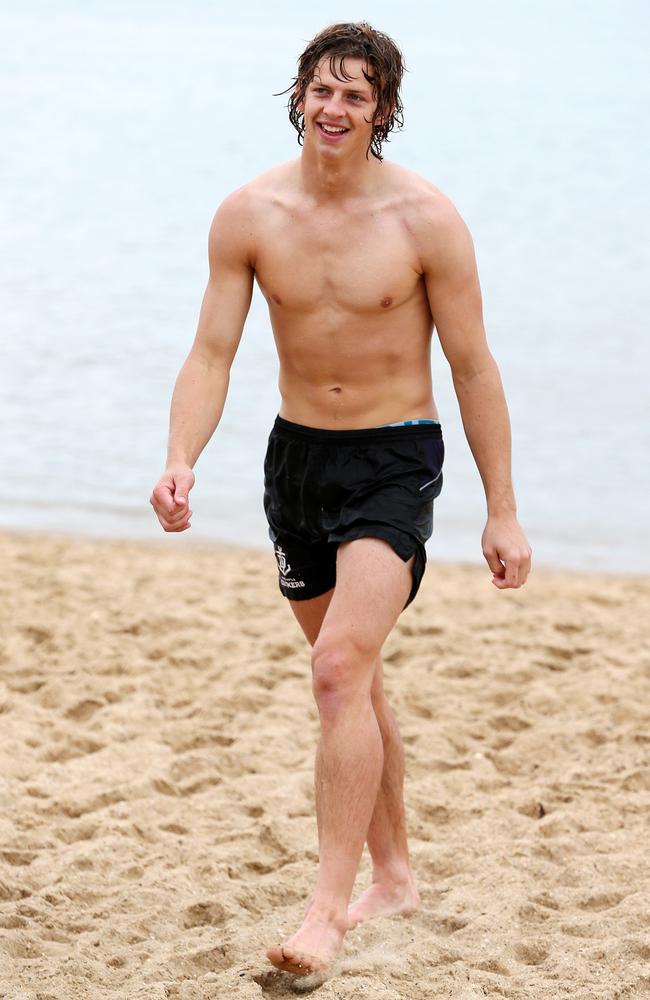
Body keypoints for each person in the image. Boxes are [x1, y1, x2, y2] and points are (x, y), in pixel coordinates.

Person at [150, 21, 531, 978]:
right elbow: (212, 351)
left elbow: (475, 367)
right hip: (297, 465)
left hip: (395, 458)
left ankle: (326, 912)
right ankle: (395, 874)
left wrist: (503, 508)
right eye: (323, 89)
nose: (335, 108)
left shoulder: (425, 222)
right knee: (350, 681)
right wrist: (181, 456)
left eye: (357, 95)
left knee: (335, 670)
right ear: (299, 94)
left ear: (384, 111)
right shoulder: (249, 214)